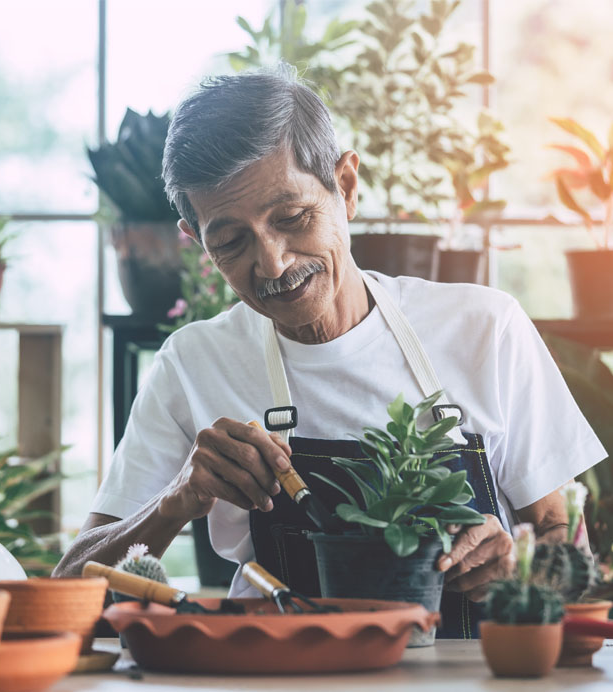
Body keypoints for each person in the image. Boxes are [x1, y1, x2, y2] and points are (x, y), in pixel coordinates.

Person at [55, 66, 605, 637]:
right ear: (196, 242)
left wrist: (516, 566)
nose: (273, 263)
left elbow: (572, 561)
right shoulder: (192, 363)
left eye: (291, 219)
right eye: (230, 242)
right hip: (276, 674)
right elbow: (68, 591)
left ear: (345, 186)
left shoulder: (485, 328)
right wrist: (176, 499)